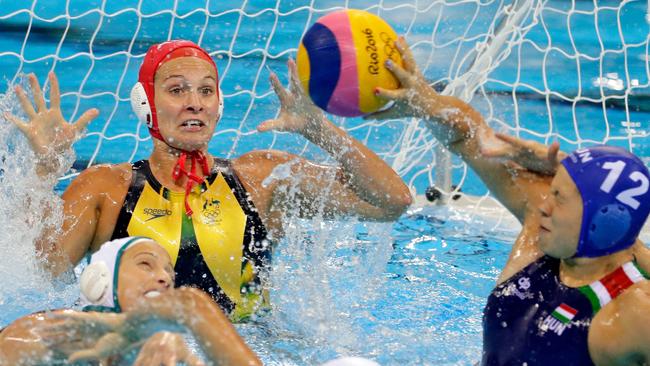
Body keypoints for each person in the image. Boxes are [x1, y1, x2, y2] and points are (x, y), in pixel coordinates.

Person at [5, 40, 412, 320]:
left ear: (219, 105)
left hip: (250, 348)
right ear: (145, 103)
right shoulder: (104, 189)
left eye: (205, 90)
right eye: (177, 90)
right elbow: (43, 273)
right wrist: (45, 169)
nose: (194, 101)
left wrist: (320, 129)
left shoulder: (262, 177)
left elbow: (392, 201)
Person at [367, 37, 650, 365]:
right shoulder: (537, 237)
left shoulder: (631, 313)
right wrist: (426, 103)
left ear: (602, 223)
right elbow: (470, 136)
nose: (544, 204)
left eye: (560, 197)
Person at [0, 236, 262, 365]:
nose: (164, 278)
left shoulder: (171, 350)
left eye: (169, 273)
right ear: (100, 279)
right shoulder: (53, 327)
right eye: (145, 264)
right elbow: (12, 346)